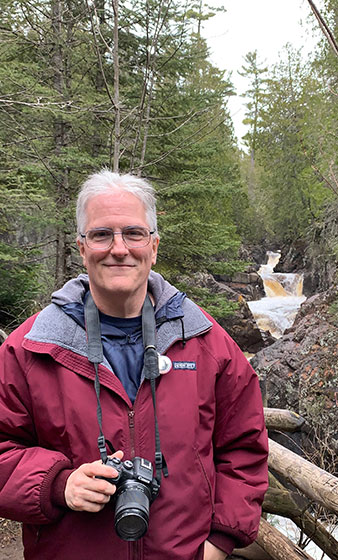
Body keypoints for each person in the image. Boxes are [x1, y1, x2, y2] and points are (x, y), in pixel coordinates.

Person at [0, 170, 268, 560]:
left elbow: (244, 447)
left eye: (134, 233)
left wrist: (220, 542)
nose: (119, 248)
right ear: (81, 247)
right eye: (101, 234)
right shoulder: (30, 349)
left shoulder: (207, 344)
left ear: (154, 246)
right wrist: (58, 483)